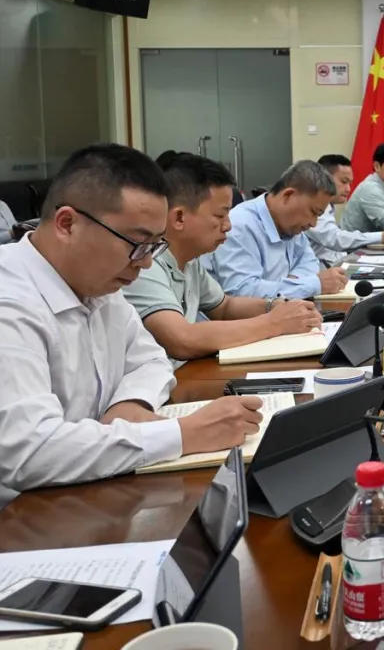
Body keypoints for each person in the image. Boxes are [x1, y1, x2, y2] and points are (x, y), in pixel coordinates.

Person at [0, 143, 263, 507]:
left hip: (90, 489)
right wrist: (181, 435)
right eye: (137, 243)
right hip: (24, 516)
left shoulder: (98, 283)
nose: (146, 263)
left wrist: (130, 402)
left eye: (155, 246)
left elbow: (151, 359)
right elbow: (31, 451)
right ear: (67, 224)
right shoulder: (11, 302)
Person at [123, 152, 324, 362]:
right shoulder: (145, 264)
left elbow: (224, 307)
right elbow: (182, 339)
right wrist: (275, 322)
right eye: (220, 216)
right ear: (179, 218)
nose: (228, 225)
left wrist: (276, 306)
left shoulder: (190, 261)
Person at [204, 160, 347, 299]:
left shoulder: (292, 225)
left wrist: (291, 286)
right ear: (287, 195)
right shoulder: (239, 225)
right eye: (313, 212)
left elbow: (309, 262)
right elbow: (243, 293)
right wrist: (311, 285)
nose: (313, 223)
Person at [307, 154, 384, 266]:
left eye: (350, 183)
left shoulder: (329, 206)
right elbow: (335, 239)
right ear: (324, 179)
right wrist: (380, 237)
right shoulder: (313, 205)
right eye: (343, 182)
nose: (348, 189)